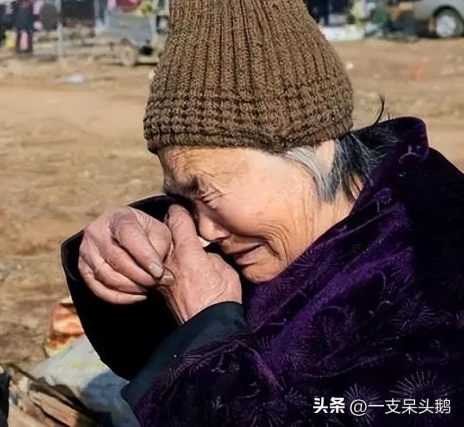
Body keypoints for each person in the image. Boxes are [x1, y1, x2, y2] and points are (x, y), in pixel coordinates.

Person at [60, 0, 464, 425]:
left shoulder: (437, 286)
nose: (205, 231)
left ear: (316, 146)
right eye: (185, 201)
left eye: (206, 193)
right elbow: (142, 353)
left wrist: (207, 340)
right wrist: (127, 251)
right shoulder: (307, 228)